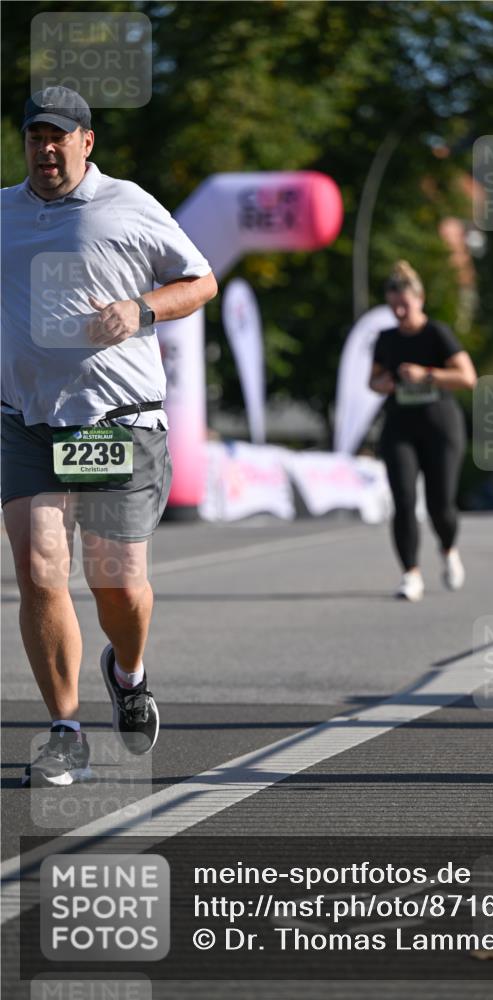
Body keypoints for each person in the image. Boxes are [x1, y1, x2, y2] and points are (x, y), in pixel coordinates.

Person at [1, 87, 218, 786]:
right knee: (39, 573)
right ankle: (65, 730)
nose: (46, 148)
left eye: (59, 136)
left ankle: (127, 673)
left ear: (86, 142)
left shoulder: (127, 205)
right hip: (26, 421)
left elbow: (201, 281)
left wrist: (140, 309)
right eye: (36, 136)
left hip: (116, 418)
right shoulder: (2, 212)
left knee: (116, 584)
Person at [369, 261, 477, 601]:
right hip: (400, 426)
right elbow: (372, 381)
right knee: (403, 500)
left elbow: (467, 377)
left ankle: (448, 548)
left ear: (420, 300)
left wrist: (426, 374)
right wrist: (383, 383)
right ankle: (410, 573)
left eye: (405, 303)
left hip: (440, 426)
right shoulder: (385, 339)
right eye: (394, 304)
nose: (400, 310)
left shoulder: (437, 333)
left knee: (440, 505)